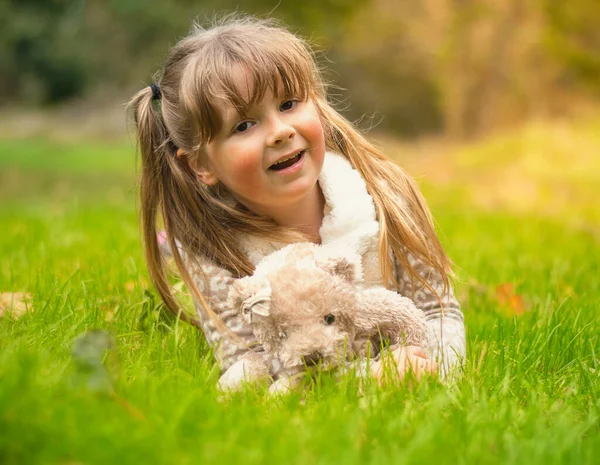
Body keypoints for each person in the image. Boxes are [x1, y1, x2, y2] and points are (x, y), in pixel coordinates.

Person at [127, 15, 466, 388]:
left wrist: (432, 373)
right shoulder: (212, 250)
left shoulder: (382, 195)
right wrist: (367, 379)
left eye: (289, 104)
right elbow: (249, 368)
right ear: (202, 165)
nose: (280, 131)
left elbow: (437, 309)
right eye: (243, 125)